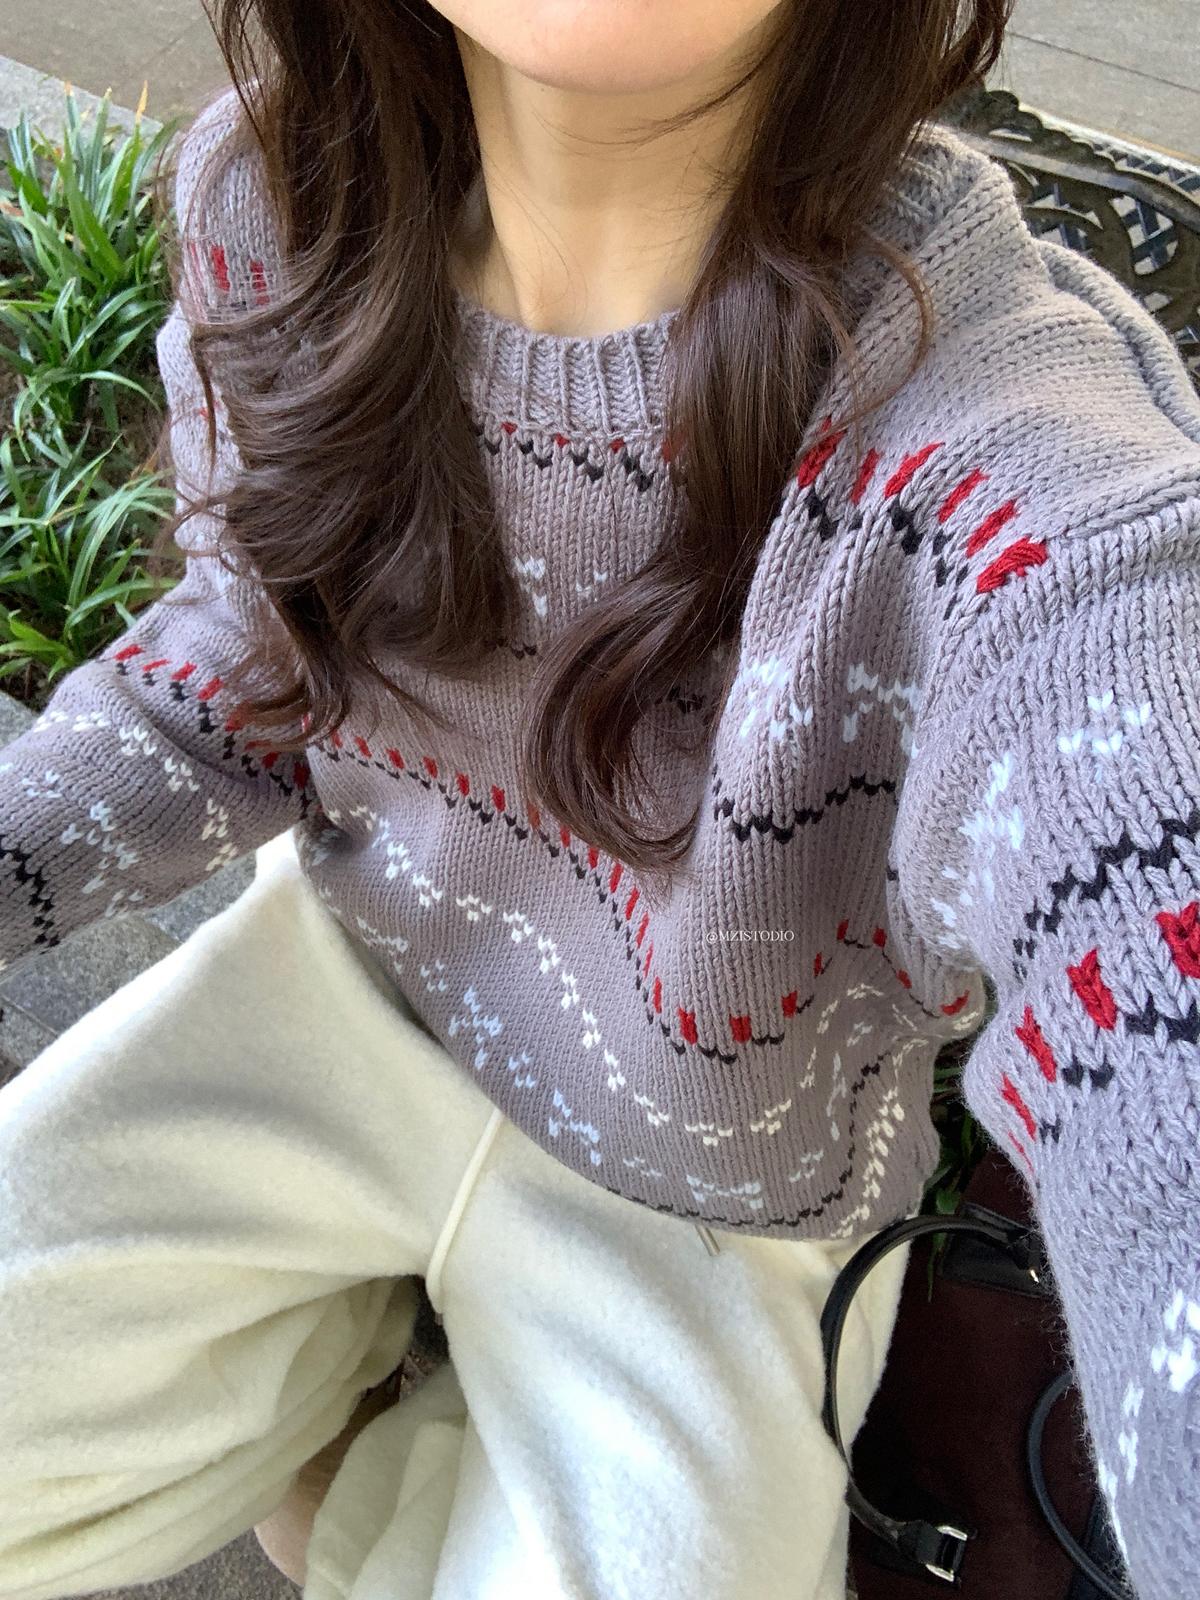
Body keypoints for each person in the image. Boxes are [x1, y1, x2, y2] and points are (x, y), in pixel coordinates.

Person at [1, 0, 1198, 1596]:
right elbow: (248, 654)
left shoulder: (1009, 449)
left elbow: (1142, 897)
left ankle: (352, 1463)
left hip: (718, 1199)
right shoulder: (277, 205)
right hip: (335, 997)